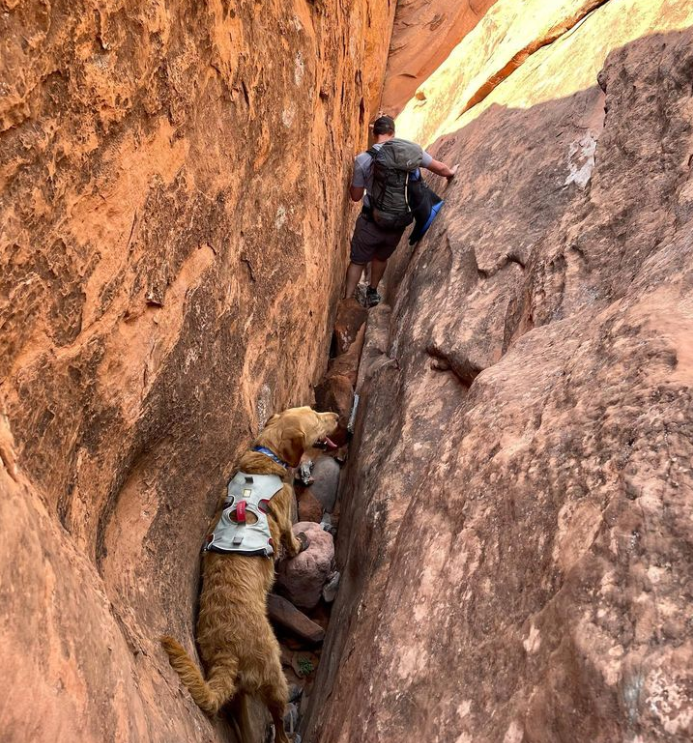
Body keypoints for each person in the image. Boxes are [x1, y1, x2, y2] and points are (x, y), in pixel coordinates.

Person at [344, 115, 458, 307]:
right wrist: (451, 172)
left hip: (370, 220)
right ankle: (372, 292)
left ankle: (347, 299)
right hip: (398, 221)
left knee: (358, 261)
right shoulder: (409, 152)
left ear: (374, 134)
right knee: (381, 257)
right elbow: (440, 168)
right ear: (393, 133)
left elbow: (355, 196)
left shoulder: (363, 159)